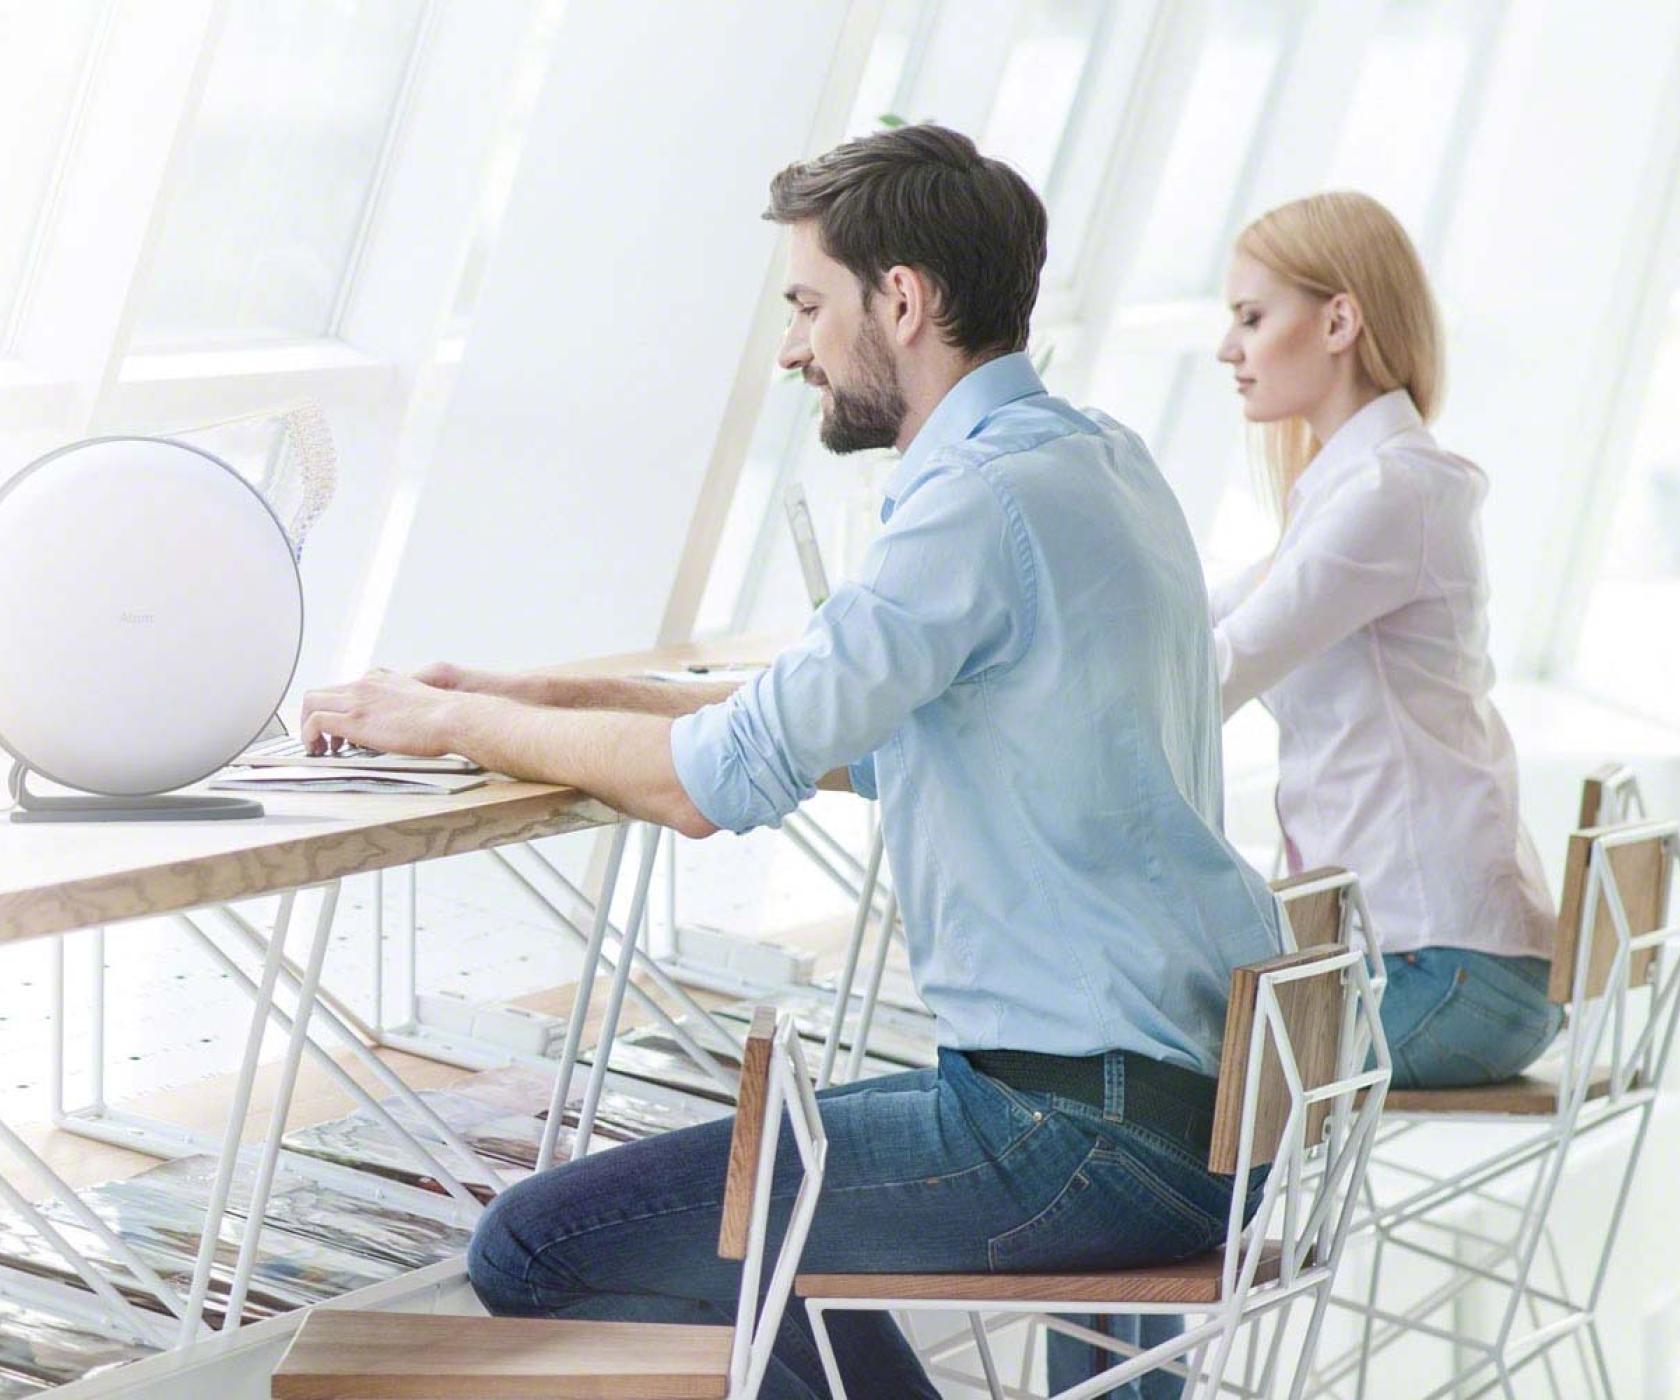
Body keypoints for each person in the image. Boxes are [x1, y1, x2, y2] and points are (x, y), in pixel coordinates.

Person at [303, 123, 1279, 1400]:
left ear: (904, 300)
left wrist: (451, 727)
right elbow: (827, 715)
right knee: (761, 1230)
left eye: (809, 304)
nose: (789, 345)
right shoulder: (1102, 462)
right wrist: (526, 688)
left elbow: (709, 782)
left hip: (1071, 1132)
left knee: (537, 1239)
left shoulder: (970, 505)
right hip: (1213, 1113)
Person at [1211, 190, 1562, 1092]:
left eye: (1252, 317)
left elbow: (1218, 669)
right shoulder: (1353, 491)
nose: (1228, 350)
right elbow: (1198, 620)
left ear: (1338, 320)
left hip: (1446, 973)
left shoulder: (1389, 494)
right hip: (1442, 964)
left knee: (1182, 1077)